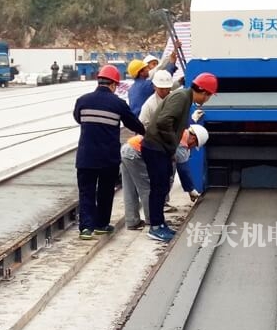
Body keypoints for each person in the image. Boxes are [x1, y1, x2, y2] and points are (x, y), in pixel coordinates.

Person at [142, 72, 218, 242]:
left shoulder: (185, 98)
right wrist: (172, 142)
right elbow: (163, 122)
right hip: (156, 147)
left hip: (160, 148)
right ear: (204, 92)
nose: (207, 100)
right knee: (158, 187)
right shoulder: (182, 97)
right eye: (209, 96)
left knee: (161, 187)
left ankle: (160, 224)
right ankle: (155, 227)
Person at [73, 64, 144, 240]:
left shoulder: (82, 100)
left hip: (86, 156)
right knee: (105, 191)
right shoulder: (118, 104)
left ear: (99, 81)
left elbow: (78, 118)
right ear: (114, 84)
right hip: (108, 158)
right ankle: (101, 225)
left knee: (86, 191)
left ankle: (85, 229)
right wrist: (146, 132)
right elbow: (133, 124)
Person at [120, 125, 209, 230]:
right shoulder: (181, 141)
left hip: (128, 148)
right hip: (136, 153)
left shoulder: (178, 132)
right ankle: (153, 222)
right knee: (148, 188)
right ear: (193, 138)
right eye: (194, 146)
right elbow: (183, 169)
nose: (191, 148)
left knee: (129, 189)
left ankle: (132, 221)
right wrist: (190, 189)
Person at [127, 49, 178, 115]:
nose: (148, 70)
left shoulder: (131, 89)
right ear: (141, 73)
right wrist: (172, 63)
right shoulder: (145, 86)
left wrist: (179, 82)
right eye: (146, 68)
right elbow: (163, 80)